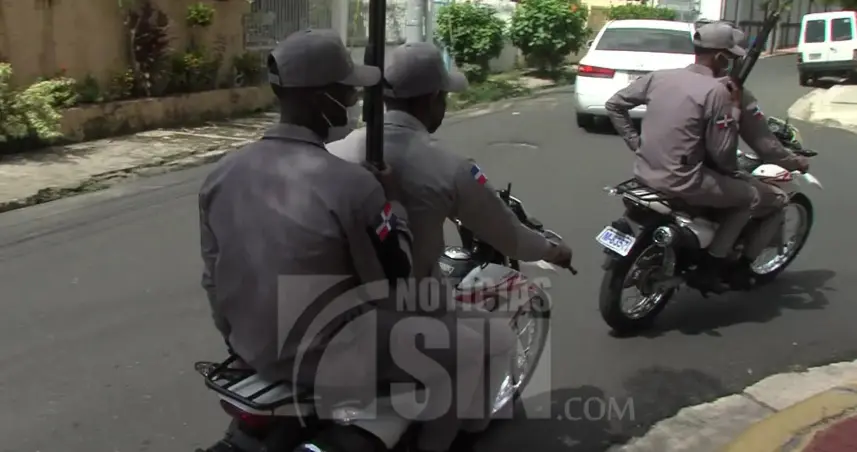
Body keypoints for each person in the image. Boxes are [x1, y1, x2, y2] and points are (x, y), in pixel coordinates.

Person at [327, 42, 574, 451]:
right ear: (432, 99)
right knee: (495, 341)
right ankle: (449, 439)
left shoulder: (336, 150)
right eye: (443, 96)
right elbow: (511, 237)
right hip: (410, 307)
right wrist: (553, 250)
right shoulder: (449, 167)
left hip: (334, 304)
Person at [604, 22, 771, 292]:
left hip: (644, 172)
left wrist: (636, 143)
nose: (731, 64)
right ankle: (711, 267)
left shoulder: (660, 77)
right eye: (730, 57)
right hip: (685, 181)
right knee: (749, 197)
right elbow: (722, 153)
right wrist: (734, 168)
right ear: (720, 57)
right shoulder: (717, 91)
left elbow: (614, 104)